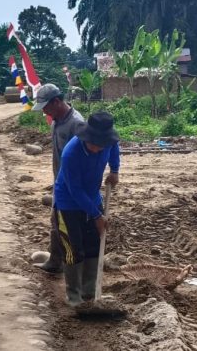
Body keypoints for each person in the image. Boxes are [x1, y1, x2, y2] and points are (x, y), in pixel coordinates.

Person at [54, 111, 120, 307]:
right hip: (68, 203)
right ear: (86, 137)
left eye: (102, 145)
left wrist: (115, 170)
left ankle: (90, 293)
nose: (98, 149)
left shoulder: (107, 143)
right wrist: (97, 215)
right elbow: (75, 190)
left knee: (93, 244)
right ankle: (74, 297)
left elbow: (114, 148)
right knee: (73, 249)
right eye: (94, 144)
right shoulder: (71, 153)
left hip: (92, 197)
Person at [31, 84, 85, 274]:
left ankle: (71, 267)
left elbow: (84, 158)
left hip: (72, 185)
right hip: (60, 182)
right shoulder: (56, 121)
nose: (44, 111)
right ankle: (56, 261)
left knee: (67, 224)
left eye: (46, 107)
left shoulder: (76, 124)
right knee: (56, 220)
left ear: (57, 102)